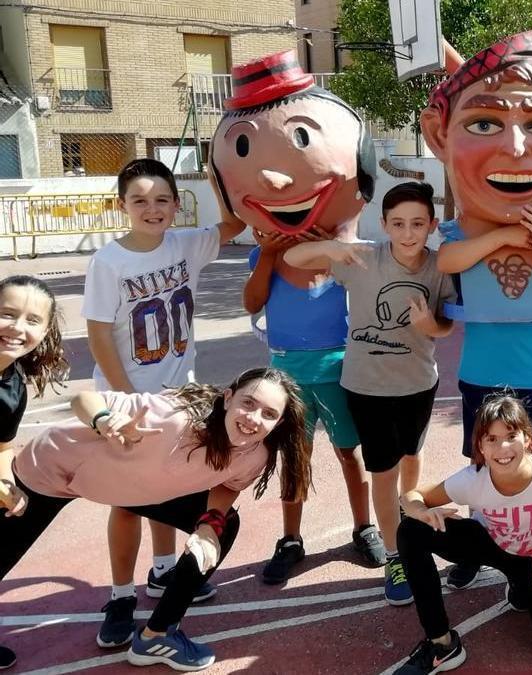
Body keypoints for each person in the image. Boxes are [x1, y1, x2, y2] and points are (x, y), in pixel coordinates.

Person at [0, 368, 312, 671]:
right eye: (248, 403)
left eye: (269, 414)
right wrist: (105, 420)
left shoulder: (255, 454)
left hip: (125, 487)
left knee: (225, 525)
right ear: (228, 397)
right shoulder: (173, 416)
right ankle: (124, 599)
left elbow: (227, 485)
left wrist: (209, 524)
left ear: (279, 421)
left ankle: (157, 636)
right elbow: (83, 399)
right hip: (49, 472)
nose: (253, 418)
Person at [421, 29, 532, 590]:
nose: (515, 147)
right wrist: (500, 239)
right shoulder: (457, 234)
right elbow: (447, 260)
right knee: (482, 467)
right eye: (487, 123)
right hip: (482, 378)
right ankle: (477, 545)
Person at [83, 158, 246, 648]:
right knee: (128, 502)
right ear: (122, 206)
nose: (152, 208)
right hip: (128, 399)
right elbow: (97, 334)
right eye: (139, 200)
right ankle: (119, 596)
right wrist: (126, 398)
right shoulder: (110, 261)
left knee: (168, 489)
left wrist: (218, 176)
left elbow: (235, 223)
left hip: (180, 397)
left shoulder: (186, 243)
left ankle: (162, 571)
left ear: (177, 204)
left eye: (162, 199)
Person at [285, 181, 456, 606]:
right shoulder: (361, 258)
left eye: (418, 223)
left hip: (418, 382)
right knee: (383, 469)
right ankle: (397, 554)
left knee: (412, 458)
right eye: (398, 223)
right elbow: (292, 257)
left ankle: (408, 520)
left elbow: (448, 323)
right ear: (383, 225)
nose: (408, 232)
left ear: (432, 225)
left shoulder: (440, 267)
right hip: (367, 386)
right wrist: (331, 247)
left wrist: (428, 327)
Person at [395, 395, 532, 675]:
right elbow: (410, 496)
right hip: (486, 543)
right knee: (411, 530)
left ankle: (520, 587)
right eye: (492, 439)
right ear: (480, 447)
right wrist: (421, 512)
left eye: (511, 436)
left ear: (528, 440)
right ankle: (442, 645)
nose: (503, 447)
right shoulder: (472, 480)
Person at [243, 227, 379, 584]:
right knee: (294, 455)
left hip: (337, 369)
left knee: (349, 452)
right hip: (288, 375)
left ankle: (364, 527)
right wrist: (269, 252)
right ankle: (291, 539)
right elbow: (252, 302)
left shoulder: (341, 254)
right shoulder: (266, 255)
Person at [0, 274, 70, 671]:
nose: (17, 328)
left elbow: (3, 446)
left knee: (28, 504)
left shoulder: (13, 384)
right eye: (7, 314)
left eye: (31, 320)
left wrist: (9, 483)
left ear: (45, 331)